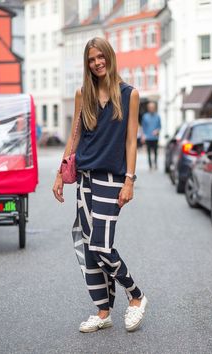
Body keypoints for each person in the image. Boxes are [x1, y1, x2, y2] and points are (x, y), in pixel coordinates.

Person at [52, 37, 147, 333]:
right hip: (85, 177)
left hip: (112, 178)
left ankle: (136, 296)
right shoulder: (84, 94)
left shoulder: (129, 94)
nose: (96, 63)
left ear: (109, 56)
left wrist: (129, 180)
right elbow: (75, 137)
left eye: (100, 57)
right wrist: (60, 173)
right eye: (91, 59)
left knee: (101, 245)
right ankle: (103, 311)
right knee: (87, 245)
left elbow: (131, 140)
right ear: (87, 63)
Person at [141, 102, 161, 170]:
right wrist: (143, 135)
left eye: (152, 107)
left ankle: (155, 164)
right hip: (148, 137)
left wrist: (157, 130)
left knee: (155, 152)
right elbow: (143, 127)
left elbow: (160, 126)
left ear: (154, 108)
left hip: (155, 138)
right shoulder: (145, 116)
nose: (151, 108)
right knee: (149, 152)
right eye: (150, 107)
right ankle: (150, 165)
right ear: (148, 108)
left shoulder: (157, 116)